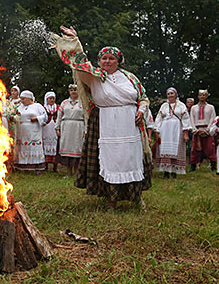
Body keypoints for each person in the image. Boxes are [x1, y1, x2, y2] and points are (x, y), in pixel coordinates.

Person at [52, 26, 151, 209]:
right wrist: (75, 41)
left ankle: (136, 198)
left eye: (111, 58)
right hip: (106, 122)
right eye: (104, 58)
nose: (107, 61)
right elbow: (78, 63)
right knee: (110, 159)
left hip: (130, 123)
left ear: (118, 61)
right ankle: (111, 200)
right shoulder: (94, 76)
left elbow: (143, 98)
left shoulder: (130, 78)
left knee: (131, 158)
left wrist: (142, 111)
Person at [154, 87, 191, 178]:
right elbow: (159, 118)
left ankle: (174, 171)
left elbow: (186, 119)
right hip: (165, 129)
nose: (170, 95)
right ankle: (166, 172)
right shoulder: (164, 106)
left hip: (177, 128)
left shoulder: (181, 105)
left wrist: (185, 133)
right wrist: (157, 131)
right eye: (168, 94)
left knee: (175, 149)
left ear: (176, 94)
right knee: (164, 148)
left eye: (172, 93)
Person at [14, 90, 47, 174]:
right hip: (22, 130)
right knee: (23, 147)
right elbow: (17, 117)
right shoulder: (19, 107)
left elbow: (45, 116)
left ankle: (37, 168)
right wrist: (12, 117)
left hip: (33, 130)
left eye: (23, 98)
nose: (22, 100)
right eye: (21, 99)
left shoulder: (37, 106)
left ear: (29, 98)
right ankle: (24, 166)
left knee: (34, 146)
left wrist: (37, 118)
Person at [55, 84, 85, 176]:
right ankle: (68, 172)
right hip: (66, 128)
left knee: (77, 148)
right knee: (67, 147)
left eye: (75, 89)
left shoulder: (83, 103)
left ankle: (77, 172)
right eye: (71, 90)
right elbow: (59, 116)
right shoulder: (64, 103)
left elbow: (86, 117)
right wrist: (57, 128)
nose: (73, 92)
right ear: (69, 92)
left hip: (78, 127)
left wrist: (86, 130)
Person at [189, 89, 217, 171]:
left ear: (206, 96)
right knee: (194, 149)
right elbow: (191, 119)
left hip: (207, 130)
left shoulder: (211, 107)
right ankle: (193, 166)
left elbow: (213, 118)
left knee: (210, 148)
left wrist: (207, 130)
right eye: (200, 95)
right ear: (198, 96)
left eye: (204, 95)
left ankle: (213, 166)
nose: (202, 96)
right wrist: (195, 130)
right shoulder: (194, 108)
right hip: (197, 129)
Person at [42, 91, 59, 172]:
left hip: (55, 128)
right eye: (50, 98)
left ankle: (55, 167)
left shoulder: (58, 107)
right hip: (46, 128)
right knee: (46, 145)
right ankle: (46, 166)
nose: (52, 100)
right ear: (47, 99)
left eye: (53, 98)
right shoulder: (43, 108)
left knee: (55, 145)